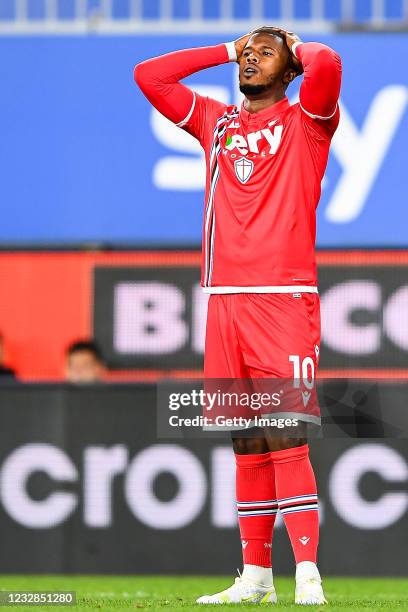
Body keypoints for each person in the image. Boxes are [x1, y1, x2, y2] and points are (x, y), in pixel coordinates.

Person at [135, 26, 341, 605]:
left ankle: (307, 575)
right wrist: (228, 48)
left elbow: (328, 64)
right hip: (223, 298)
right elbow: (149, 75)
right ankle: (255, 579)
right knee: (246, 440)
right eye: (245, 55)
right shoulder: (216, 122)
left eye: (264, 54)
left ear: (290, 68)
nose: (251, 60)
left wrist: (296, 46)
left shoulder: (308, 123)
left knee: (286, 435)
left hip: (281, 298)